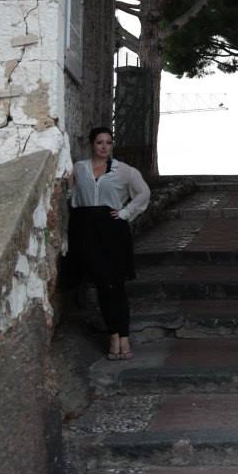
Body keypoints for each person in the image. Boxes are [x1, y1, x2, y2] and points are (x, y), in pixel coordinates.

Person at [66, 126, 150, 360]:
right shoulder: (79, 168)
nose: (104, 147)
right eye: (99, 142)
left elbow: (144, 194)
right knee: (103, 283)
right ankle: (116, 334)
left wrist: (125, 213)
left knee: (115, 283)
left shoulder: (125, 171)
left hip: (112, 230)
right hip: (85, 230)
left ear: (112, 145)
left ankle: (121, 335)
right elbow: (70, 195)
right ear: (92, 144)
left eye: (108, 143)